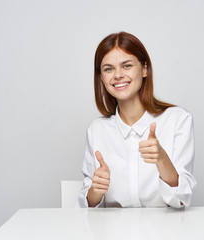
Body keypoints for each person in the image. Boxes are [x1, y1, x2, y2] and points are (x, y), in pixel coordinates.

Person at [77, 32, 196, 208]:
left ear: (144, 69)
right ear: (101, 77)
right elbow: (86, 208)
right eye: (108, 69)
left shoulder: (178, 120)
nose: (117, 75)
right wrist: (96, 189)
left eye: (126, 66)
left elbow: (181, 200)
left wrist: (162, 159)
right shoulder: (97, 129)